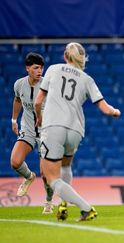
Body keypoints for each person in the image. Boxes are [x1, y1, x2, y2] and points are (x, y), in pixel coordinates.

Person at [34, 42, 121, 221]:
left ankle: (86, 208)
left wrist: (39, 118)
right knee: (65, 166)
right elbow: (105, 108)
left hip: (54, 126)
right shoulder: (87, 78)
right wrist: (115, 111)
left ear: (66, 56)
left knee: (51, 178)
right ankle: (64, 203)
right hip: (75, 130)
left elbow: (37, 102)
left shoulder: (54, 69)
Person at [10, 52, 55, 214]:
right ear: (27, 68)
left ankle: (48, 202)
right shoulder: (19, 84)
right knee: (15, 162)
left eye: (41, 68)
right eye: (36, 68)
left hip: (46, 132)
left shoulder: (48, 85)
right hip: (28, 129)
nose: (39, 71)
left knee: (46, 173)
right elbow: (17, 100)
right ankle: (29, 176)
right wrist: (14, 120)